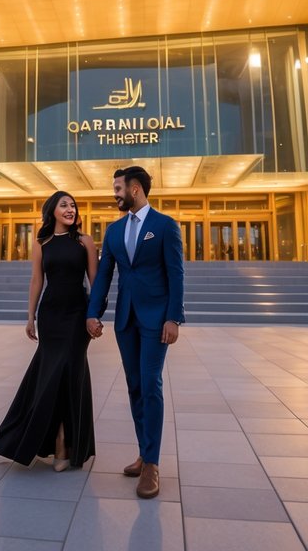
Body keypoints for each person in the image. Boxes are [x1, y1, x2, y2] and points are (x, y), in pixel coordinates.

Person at [86, 166, 185, 499]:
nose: (114, 193)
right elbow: (103, 277)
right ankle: (144, 452)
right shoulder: (114, 232)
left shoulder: (164, 226)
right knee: (134, 386)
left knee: (150, 382)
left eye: (118, 188)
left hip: (157, 320)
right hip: (125, 320)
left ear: (136, 189)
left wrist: (174, 317)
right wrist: (93, 313)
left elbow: (176, 275)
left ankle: (152, 465)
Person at [0, 191, 98, 471]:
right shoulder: (41, 243)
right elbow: (37, 280)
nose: (70, 209)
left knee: (68, 376)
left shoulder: (84, 241)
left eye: (73, 205)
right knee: (50, 377)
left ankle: (65, 444)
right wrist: (31, 316)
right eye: (64, 205)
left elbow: (95, 283)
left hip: (76, 317)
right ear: (52, 211)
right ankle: (50, 441)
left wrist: (94, 316)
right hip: (51, 316)